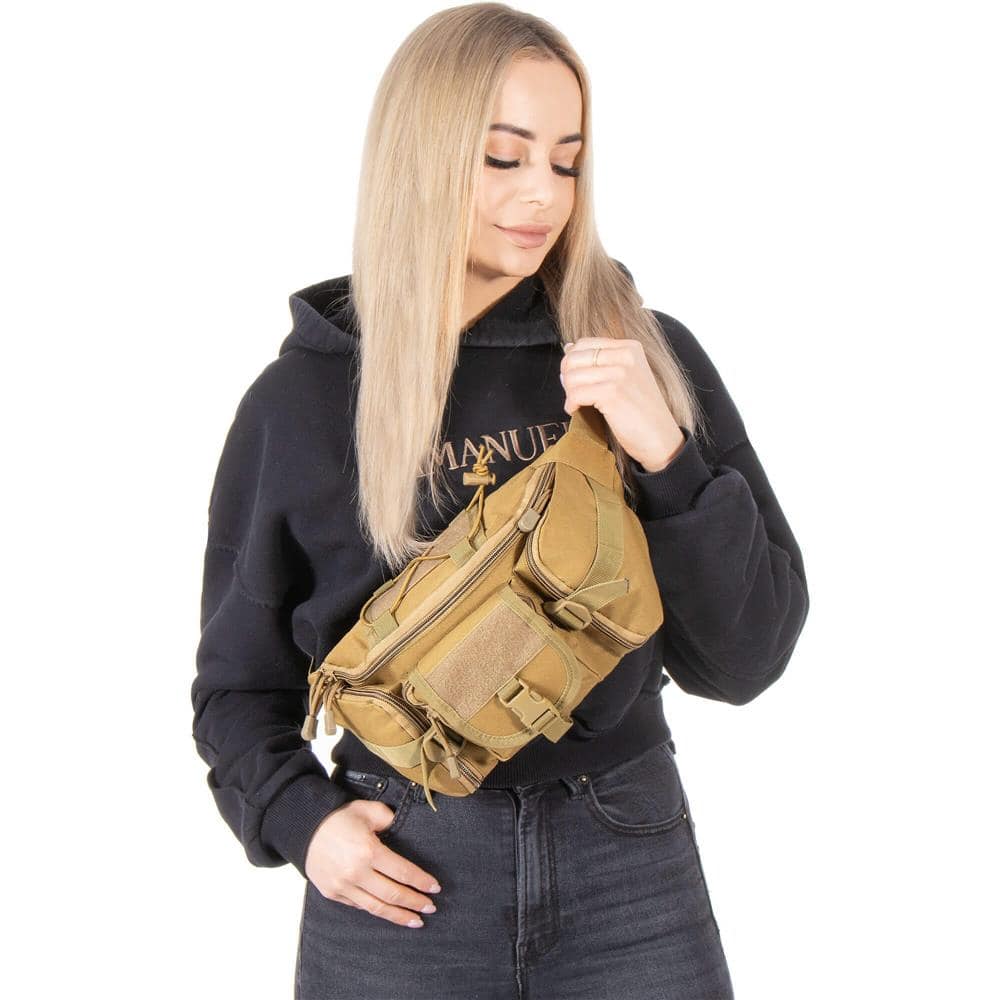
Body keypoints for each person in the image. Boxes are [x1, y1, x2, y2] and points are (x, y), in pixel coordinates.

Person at [191, 5, 810, 998]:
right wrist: (302, 824)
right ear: (423, 156)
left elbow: (745, 660)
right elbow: (236, 688)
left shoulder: (642, 356)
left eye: (567, 162)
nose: (543, 195)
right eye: (503, 157)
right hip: (403, 865)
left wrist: (666, 454)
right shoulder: (302, 401)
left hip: (629, 851)